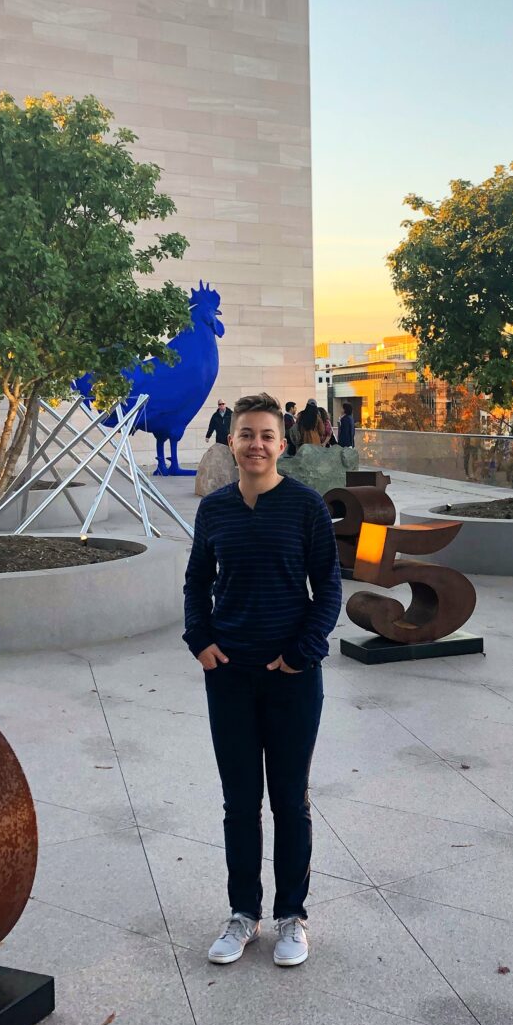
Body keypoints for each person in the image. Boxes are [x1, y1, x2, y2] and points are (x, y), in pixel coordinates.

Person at [183, 391, 342, 969]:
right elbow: (197, 581)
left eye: (267, 436)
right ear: (232, 440)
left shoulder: (305, 506)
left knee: (290, 802)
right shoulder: (216, 510)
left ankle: (291, 916)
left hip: (292, 677)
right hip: (229, 675)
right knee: (238, 802)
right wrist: (200, 640)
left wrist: (302, 653)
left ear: (283, 443)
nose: (256, 444)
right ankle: (243, 913)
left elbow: (327, 587)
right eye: (246, 434)